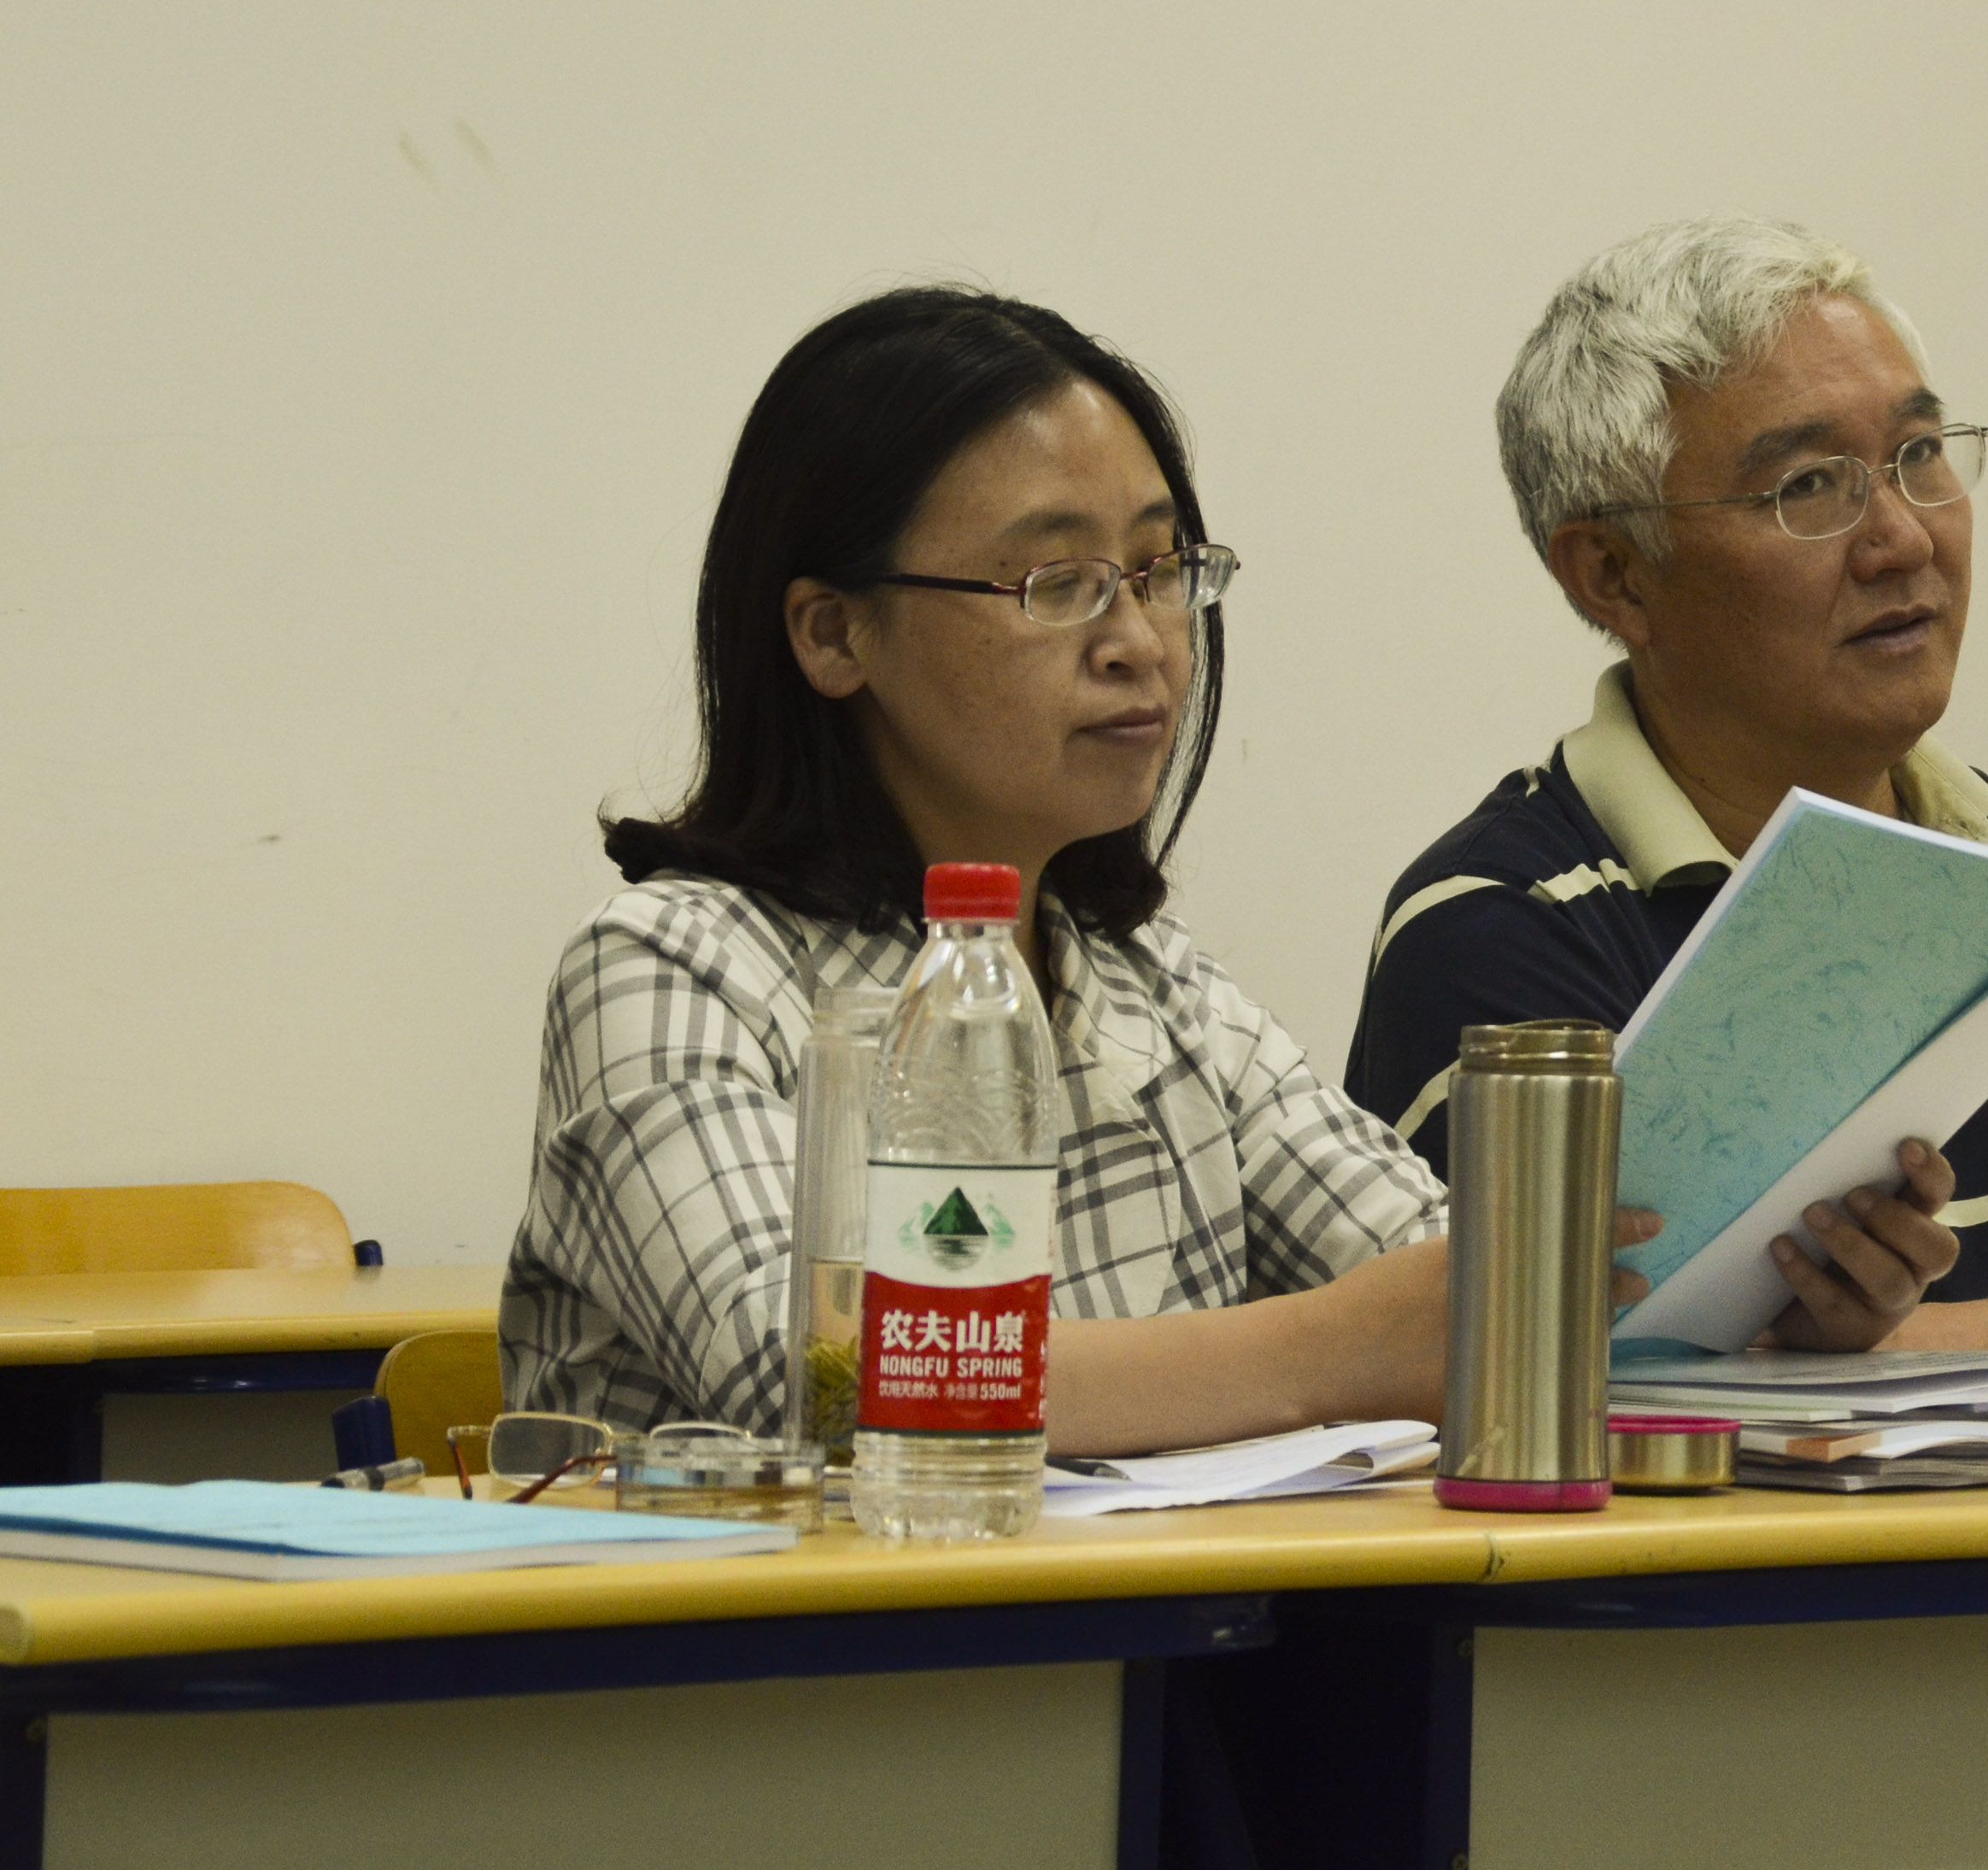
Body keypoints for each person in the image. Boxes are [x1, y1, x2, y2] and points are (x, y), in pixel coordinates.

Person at [502, 286, 1651, 1448]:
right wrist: (1341, 1349)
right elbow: (820, 1377)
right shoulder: (670, 971)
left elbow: (1466, 1288)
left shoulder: (1153, 987)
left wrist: (1649, 1288)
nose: (1140, 643)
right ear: (834, 633)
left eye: (1160, 571)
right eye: (1058, 585)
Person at [1346, 219, 1988, 1402]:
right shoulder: (1501, 923)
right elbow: (1581, 1383)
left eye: (1920, 454)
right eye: (1808, 487)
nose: (1904, 537)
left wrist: (1899, 1355)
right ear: (1614, 573)